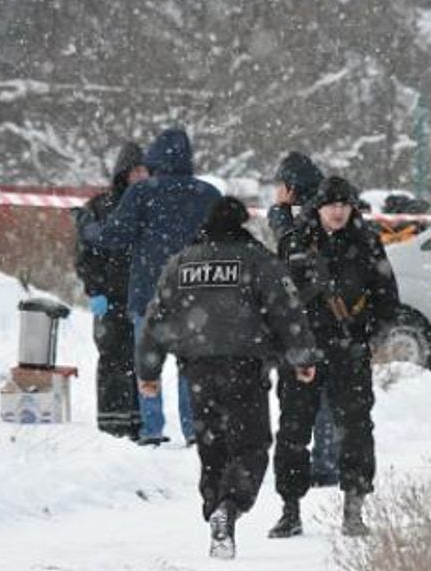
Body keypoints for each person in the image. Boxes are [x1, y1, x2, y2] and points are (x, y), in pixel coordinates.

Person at [138, 196, 319, 560]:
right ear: (241, 224)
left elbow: (156, 319)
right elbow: (288, 310)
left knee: (213, 446)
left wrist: (148, 370)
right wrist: (302, 356)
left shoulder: (181, 263)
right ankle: (230, 507)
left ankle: (215, 505)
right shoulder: (257, 260)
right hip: (244, 368)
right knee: (250, 446)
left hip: (198, 369)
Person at [270, 176, 399, 537]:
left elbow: (387, 299)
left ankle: (354, 508)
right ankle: (290, 509)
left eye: (344, 205)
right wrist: (289, 347)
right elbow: (278, 301)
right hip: (303, 352)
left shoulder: (368, 243)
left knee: (356, 430)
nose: (338, 212)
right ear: (319, 208)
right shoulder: (296, 243)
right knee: (294, 431)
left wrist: (371, 337)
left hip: (349, 351)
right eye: (332, 205)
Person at [81, 127, 221, 446]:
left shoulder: (143, 192)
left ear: (155, 156)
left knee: (148, 364)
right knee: (192, 369)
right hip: (196, 295)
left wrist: (87, 228)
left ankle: (152, 430)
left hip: (149, 294)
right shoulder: (209, 194)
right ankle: (194, 430)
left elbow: (114, 236)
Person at [266, 153, 341, 542]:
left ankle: (293, 504)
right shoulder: (332, 212)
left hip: (305, 332)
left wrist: (279, 214)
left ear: (292, 187)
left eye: (281, 186)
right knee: (328, 403)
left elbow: (291, 258)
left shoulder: (301, 221)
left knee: (295, 420)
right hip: (331, 331)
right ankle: (328, 466)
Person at [74, 142, 148, 440]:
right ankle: (111, 426)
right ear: (125, 173)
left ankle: (139, 423)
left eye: (147, 171)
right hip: (111, 298)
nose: (143, 176)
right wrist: (95, 291)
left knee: (142, 362)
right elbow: (85, 255)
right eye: (138, 171)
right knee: (112, 359)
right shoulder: (101, 207)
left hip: (144, 298)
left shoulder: (154, 207)